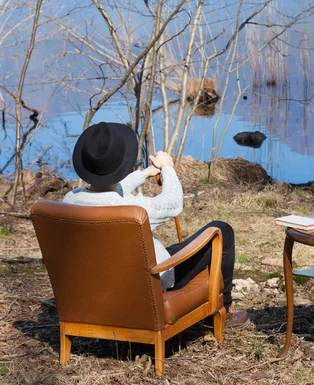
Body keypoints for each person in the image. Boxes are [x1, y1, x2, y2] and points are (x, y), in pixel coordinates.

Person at [63, 122, 249, 327]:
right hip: (146, 281)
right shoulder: (131, 211)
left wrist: (145, 173)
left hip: (100, 283)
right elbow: (173, 203)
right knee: (222, 230)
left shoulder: (69, 201)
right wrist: (167, 168)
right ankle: (224, 312)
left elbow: (106, 192)